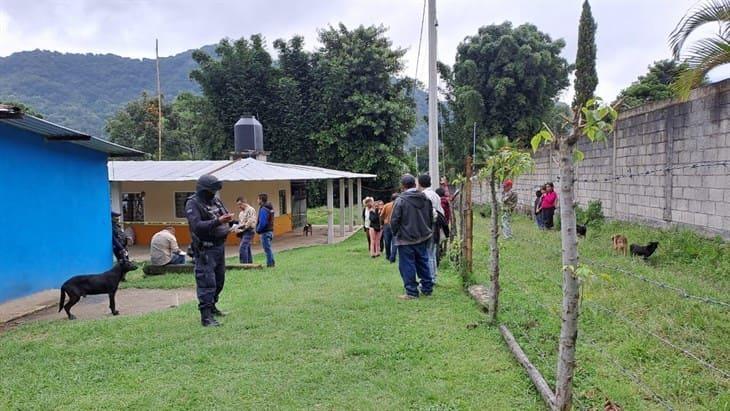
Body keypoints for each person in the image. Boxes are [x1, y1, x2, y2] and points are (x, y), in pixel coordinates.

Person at [185, 174, 235, 327]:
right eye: (211, 190)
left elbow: (225, 216)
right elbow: (197, 226)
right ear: (203, 190)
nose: (214, 193)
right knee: (207, 282)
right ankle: (206, 317)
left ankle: (212, 307)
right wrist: (218, 221)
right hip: (205, 249)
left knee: (219, 281)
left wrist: (231, 222)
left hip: (219, 247)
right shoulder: (193, 204)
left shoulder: (216, 201)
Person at [391, 174, 434, 300]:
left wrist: (396, 233)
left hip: (405, 239)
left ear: (403, 186)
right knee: (423, 262)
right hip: (423, 236)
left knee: (407, 265)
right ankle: (427, 288)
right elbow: (430, 217)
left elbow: (394, 220)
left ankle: (411, 292)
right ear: (415, 184)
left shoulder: (401, 200)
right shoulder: (425, 199)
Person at [417, 174, 444, 283]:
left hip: (427, 226)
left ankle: (430, 278)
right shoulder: (435, 195)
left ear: (419, 183)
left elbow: (428, 212)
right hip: (436, 226)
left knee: (426, 253)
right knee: (432, 253)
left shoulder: (423, 195)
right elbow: (440, 211)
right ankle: (433, 276)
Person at [234, 197, 257, 264]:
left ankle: (243, 264)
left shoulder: (250, 210)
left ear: (244, 203)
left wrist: (242, 227)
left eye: (240, 204)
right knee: (247, 248)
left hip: (249, 231)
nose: (239, 206)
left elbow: (250, 221)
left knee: (243, 247)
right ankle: (249, 264)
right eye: (238, 205)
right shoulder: (241, 213)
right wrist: (237, 228)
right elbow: (240, 223)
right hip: (243, 232)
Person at [256, 193, 276, 267]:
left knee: (267, 249)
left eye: (258, 199)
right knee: (268, 248)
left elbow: (263, 222)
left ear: (261, 200)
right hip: (270, 230)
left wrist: (258, 229)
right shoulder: (270, 208)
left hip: (265, 232)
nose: (257, 200)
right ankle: (272, 263)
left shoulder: (264, 209)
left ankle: (270, 264)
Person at [380, 193, 398, 263]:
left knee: (387, 241)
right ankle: (393, 257)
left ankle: (388, 255)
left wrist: (382, 222)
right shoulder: (399, 205)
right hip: (396, 225)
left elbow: (381, 215)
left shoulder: (386, 205)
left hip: (386, 224)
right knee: (395, 242)